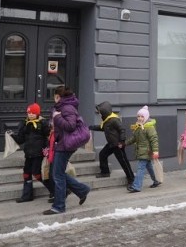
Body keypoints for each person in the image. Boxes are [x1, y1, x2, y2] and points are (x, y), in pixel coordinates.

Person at [43, 86, 90, 215]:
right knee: (58, 173)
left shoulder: (67, 108)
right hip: (62, 144)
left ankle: (59, 206)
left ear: (58, 96)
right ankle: (82, 190)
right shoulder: (61, 107)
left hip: (65, 145)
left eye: (54, 96)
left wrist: (57, 118)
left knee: (57, 175)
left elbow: (70, 126)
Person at [10, 103, 52, 203]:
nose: (31, 115)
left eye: (33, 113)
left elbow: (49, 136)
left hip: (39, 153)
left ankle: (55, 190)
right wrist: (12, 135)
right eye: (29, 113)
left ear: (37, 113)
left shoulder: (43, 123)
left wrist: (47, 149)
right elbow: (20, 140)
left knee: (37, 174)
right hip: (28, 154)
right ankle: (27, 196)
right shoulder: (24, 124)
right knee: (26, 174)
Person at [88, 101, 134, 188]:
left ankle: (131, 179)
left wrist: (122, 141)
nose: (100, 114)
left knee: (123, 162)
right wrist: (91, 127)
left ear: (105, 112)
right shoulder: (106, 120)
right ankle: (105, 172)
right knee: (102, 154)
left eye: (100, 112)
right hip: (111, 144)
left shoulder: (114, 120)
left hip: (118, 145)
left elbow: (122, 129)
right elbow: (101, 128)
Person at [126, 105, 160, 192]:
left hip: (146, 151)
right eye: (138, 116)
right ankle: (156, 180)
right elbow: (134, 138)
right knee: (149, 167)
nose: (140, 118)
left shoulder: (149, 127)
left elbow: (154, 140)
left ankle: (136, 186)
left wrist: (155, 151)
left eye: (142, 116)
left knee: (140, 168)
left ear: (146, 117)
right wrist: (124, 144)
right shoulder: (138, 127)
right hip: (141, 151)